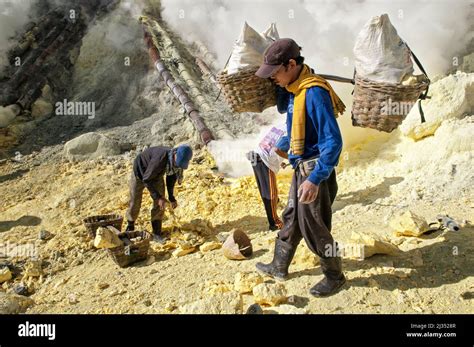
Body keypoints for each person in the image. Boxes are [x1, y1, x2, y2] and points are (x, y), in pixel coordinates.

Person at [254, 38, 347, 297]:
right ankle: (279, 265)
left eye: (275, 73)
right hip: (301, 166)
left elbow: (332, 141)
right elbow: (300, 128)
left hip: (314, 170)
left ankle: (335, 275)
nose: (272, 78)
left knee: (314, 225)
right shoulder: (296, 90)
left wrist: (315, 179)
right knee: (292, 217)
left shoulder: (314, 92)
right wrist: (286, 144)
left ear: (291, 64)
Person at [125, 144, 193, 243]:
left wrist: (171, 197)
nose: (177, 165)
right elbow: (147, 179)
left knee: (160, 203)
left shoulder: (175, 165)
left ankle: (156, 233)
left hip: (156, 175)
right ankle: (130, 226)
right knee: (135, 201)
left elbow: (171, 179)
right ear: (175, 154)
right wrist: (158, 197)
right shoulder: (160, 159)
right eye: (177, 163)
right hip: (140, 173)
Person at [247, 124, 289, 231]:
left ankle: (274, 209)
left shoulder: (283, 126)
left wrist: (280, 162)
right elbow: (276, 149)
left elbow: (270, 145)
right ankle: (274, 223)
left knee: (266, 191)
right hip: (263, 160)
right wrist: (293, 158)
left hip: (256, 155)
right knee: (271, 193)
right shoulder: (291, 132)